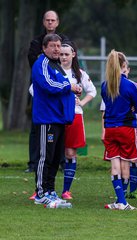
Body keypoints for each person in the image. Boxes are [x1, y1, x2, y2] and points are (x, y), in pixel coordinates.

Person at [32, 33, 81, 208]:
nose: (56, 49)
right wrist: (70, 86)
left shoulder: (56, 65)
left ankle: (51, 191)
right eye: (52, 46)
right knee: (45, 157)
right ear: (44, 48)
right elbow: (48, 85)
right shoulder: (42, 64)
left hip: (59, 119)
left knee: (55, 157)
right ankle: (40, 193)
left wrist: (74, 89)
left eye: (58, 46)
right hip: (47, 118)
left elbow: (63, 87)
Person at [102, 50, 137, 210]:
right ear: (124, 66)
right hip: (126, 128)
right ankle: (123, 202)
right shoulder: (130, 85)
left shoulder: (105, 84)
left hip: (110, 128)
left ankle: (120, 200)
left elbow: (106, 103)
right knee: (126, 164)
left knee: (114, 163)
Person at [60, 42, 97, 200]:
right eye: (61, 54)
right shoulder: (52, 71)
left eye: (66, 54)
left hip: (75, 116)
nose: (63, 57)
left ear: (73, 55)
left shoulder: (79, 73)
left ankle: (66, 190)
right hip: (55, 116)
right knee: (51, 153)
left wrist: (81, 103)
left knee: (70, 153)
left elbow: (92, 91)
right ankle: (43, 189)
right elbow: (34, 89)